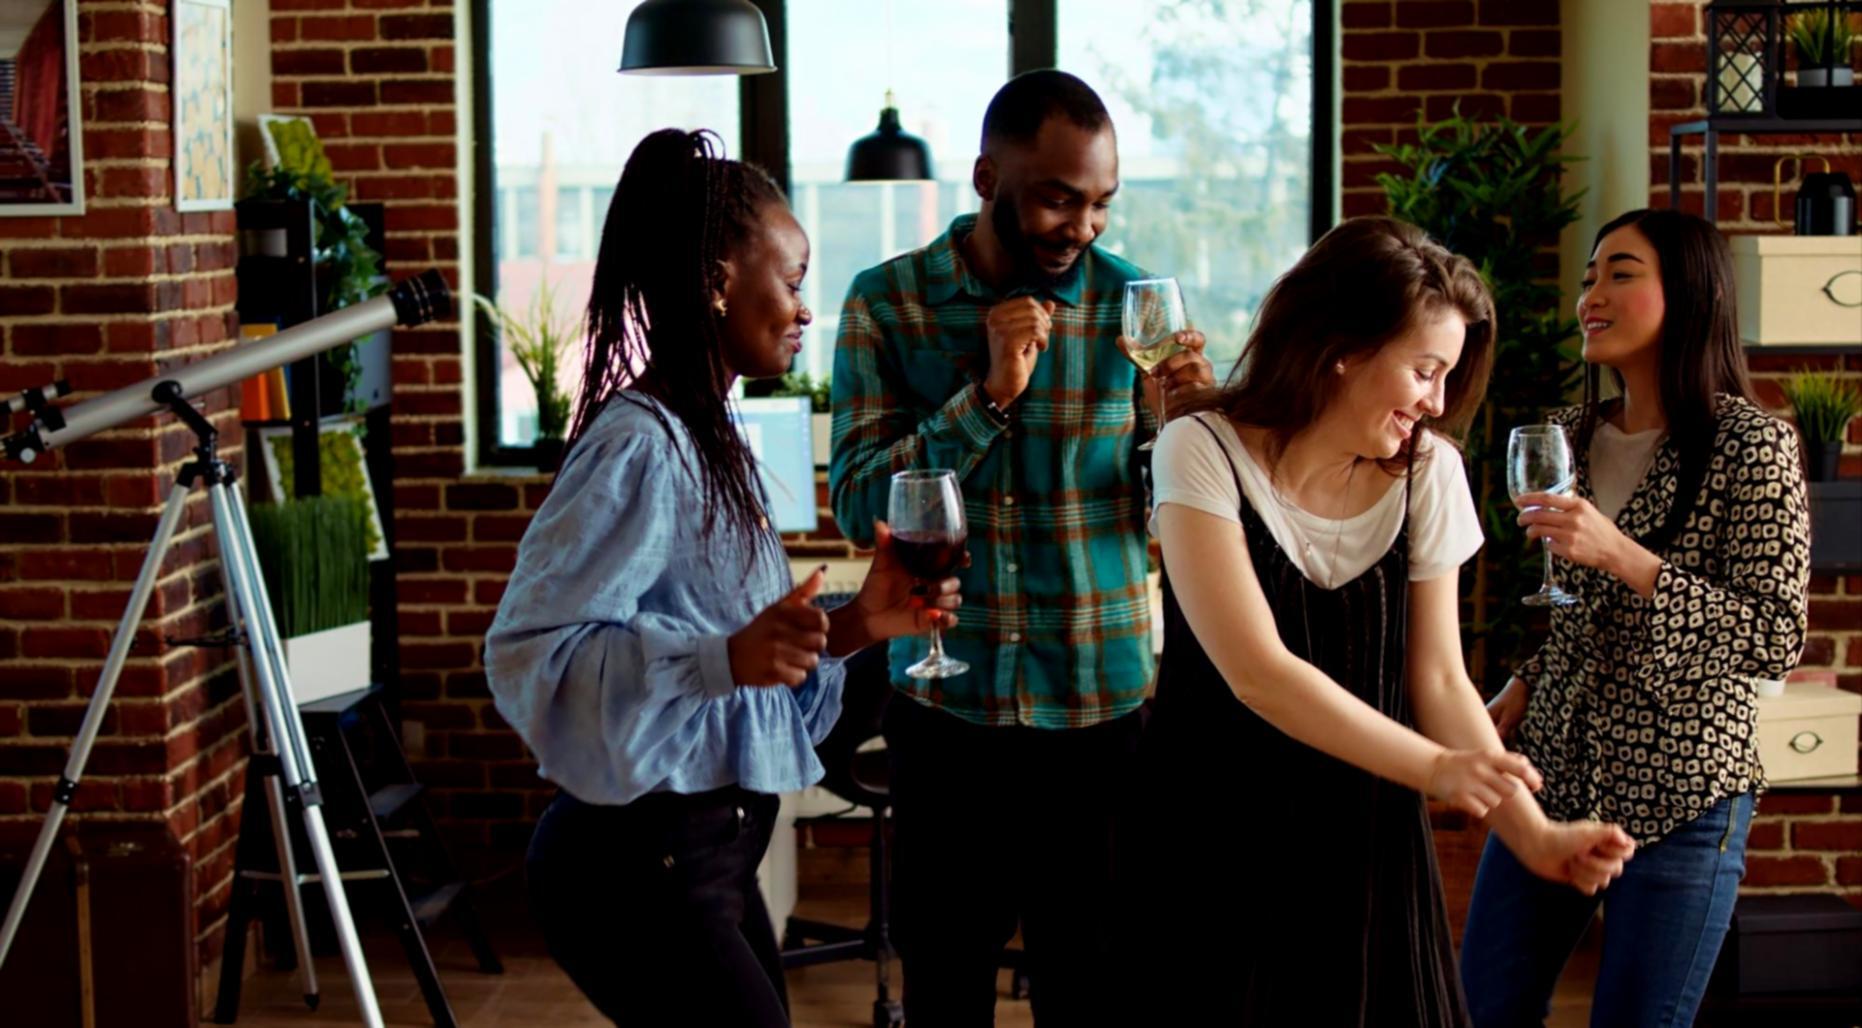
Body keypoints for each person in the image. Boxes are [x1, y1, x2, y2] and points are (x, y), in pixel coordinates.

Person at [484, 129, 960, 1027]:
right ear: (716, 282)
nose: (804, 308)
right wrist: (718, 658)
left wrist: (863, 623)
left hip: (711, 855)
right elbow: (530, 654)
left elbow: (754, 685)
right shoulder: (640, 445)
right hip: (633, 865)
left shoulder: (712, 435)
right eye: (792, 281)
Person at [1129, 216, 1637, 1025]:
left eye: (1447, 375)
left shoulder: (1430, 471)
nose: (1437, 402)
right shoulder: (1199, 448)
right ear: (1343, 347)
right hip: (1213, 839)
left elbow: (1437, 679)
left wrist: (1535, 835)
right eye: (1425, 370)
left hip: (1369, 846)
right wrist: (1436, 770)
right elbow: (1258, 673)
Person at [827, 70, 1214, 1024]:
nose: (1082, 227)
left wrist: (1190, 437)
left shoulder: (1137, 307)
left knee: (1094, 992)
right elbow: (857, 504)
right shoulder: (890, 303)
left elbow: (1172, 519)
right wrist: (988, 398)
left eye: (1100, 205)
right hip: (947, 708)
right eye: (1057, 197)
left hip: (1102, 711)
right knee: (945, 990)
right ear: (984, 175)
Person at [1463, 208, 1811, 1027]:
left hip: (1685, 796)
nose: (1592, 294)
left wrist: (1625, 555)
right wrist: (1529, 675)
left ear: (1690, 294)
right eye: (1589, 278)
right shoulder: (1574, 435)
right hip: (1554, 776)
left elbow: (1774, 636)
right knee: (1480, 1007)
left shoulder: (1751, 447)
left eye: (1620, 273)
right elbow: (1583, 615)